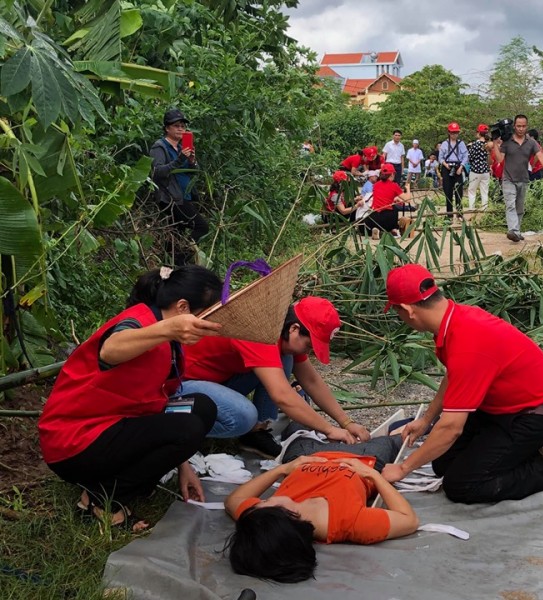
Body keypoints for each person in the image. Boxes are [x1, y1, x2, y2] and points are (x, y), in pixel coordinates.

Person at [38, 265, 224, 530]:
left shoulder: (170, 339)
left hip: (116, 422)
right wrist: (168, 329)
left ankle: (122, 481)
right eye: (205, 314)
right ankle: (102, 500)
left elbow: (157, 403)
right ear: (183, 308)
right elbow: (111, 350)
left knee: (201, 407)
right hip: (75, 441)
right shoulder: (140, 320)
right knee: (188, 428)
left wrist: (183, 463)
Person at [380, 264, 543, 504]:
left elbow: (452, 428)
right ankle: (515, 454)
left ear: (406, 310)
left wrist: (403, 469)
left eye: (396, 312)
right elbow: (454, 376)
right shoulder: (454, 319)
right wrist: (426, 420)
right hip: (499, 407)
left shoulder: (466, 341)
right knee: (442, 464)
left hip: (532, 415)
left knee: (461, 485)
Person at [182, 297, 371, 456]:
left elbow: (311, 381)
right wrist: (328, 429)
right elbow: (281, 395)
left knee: (286, 357)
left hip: (219, 379)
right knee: (244, 416)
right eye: (309, 346)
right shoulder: (257, 331)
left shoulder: (281, 330)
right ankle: (187, 432)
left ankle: (256, 432)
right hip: (182, 386)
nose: (310, 352)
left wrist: (346, 422)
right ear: (294, 329)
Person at [224, 433, 419, 583]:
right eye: (266, 502)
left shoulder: (261, 521)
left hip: (303, 454)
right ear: (288, 517)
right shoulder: (350, 523)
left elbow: (234, 499)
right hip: (363, 457)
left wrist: (282, 470)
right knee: (396, 439)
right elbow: (409, 519)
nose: (261, 500)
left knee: (294, 431)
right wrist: (373, 476)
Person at [149, 109, 209, 265]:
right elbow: (157, 172)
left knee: (174, 235)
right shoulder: (160, 147)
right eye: (176, 126)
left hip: (183, 196)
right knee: (201, 226)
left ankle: (170, 270)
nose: (181, 129)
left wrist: (191, 161)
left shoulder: (181, 147)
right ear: (167, 128)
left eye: (183, 126)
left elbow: (193, 172)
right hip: (171, 198)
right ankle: (184, 256)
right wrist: (180, 158)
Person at [492, 115, 543, 243]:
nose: (521, 128)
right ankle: (513, 230)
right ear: (514, 126)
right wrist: (495, 145)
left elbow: (540, 155)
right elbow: (499, 159)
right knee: (510, 205)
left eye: (523, 126)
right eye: (518, 126)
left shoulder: (531, 143)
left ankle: (517, 232)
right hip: (508, 178)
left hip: (523, 179)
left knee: (519, 207)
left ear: (527, 126)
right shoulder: (507, 142)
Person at [363, 163, 412, 238]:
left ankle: (377, 229)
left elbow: (384, 195)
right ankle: (393, 229)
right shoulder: (394, 185)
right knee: (394, 209)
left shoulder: (376, 185)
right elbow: (408, 200)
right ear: (392, 174)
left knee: (373, 219)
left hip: (374, 216)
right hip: (387, 218)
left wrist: (394, 198)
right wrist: (408, 189)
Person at [438, 122, 469, 218]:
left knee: (459, 192)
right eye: (452, 132)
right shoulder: (444, 144)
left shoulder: (461, 143)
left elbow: (465, 156)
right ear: (449, 133)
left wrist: (461, 167)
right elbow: (440, 157)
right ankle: (449, 214)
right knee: (448, 191)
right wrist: (445, 165)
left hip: (458, 167)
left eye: (456, 132)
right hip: (447, 167)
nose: (454, 134)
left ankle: (460, 213)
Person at [466, 124, 491, 211]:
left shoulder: (475, 145)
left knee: (472, 190)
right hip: (485, 170)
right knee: (484, 191)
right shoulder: (488, 145)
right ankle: (484, 209)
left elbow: (470, 157)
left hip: (475, 170)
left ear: (478, 133)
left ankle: (471, 208)